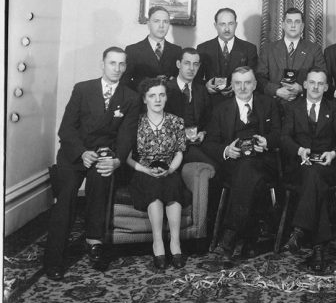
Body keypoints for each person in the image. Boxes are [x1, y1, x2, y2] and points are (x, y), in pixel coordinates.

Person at [44, 47, 139, 281]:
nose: (117, 69)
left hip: (105, 156)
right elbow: (66, 128)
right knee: (66, 196)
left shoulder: (131, 97)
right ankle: (54, 258)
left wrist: (116, 160)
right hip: (74, 154)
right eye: (112, 63)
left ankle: (94, 244)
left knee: (100, 186)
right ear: (102, 64)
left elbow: (126, 136)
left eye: (121, 64)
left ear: (125, 67)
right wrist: (81, 153)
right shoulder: (83, 89)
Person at [202, 66, 281, 260]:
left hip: (264, 162)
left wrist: (268, 142)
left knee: (249, 170)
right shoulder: (221, 109)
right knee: (248, 174)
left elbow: (280, 134)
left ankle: (228, 237)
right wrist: (226, 150)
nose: (243, 87)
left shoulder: (269, 104)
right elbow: (209, 142)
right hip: (233, 165)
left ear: (255, 84)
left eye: (247, 83)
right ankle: (250, 239)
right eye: (238, 83)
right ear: (232, 85)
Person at [281, 68, 336, 273]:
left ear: (326, 87)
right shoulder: (292, 107)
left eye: (320, 84)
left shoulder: (334, 108)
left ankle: (300, 230)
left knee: (316, 177)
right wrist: (299, 150)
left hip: (326, 165)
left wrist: (333, 153)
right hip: (300, 166)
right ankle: (318, 249)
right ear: (304, 84)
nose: (315, 87)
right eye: (312, 82)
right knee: (314, 180)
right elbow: (284, 138)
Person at [126, 77, 189, 270]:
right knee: (153, 185)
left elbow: (179, 152)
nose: (157, 99)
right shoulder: (134, 122)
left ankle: (175, 243)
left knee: (171, 183)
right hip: (143, 171)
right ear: (144, 99)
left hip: (168, 170)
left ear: (166, 98)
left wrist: (170, 169)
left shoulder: (176, 121)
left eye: (161, 95)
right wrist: (146, 170)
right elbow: (127, 157)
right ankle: (158, 243)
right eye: (152, 96)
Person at [256, 7, 326, 103]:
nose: (293, 25)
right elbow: (259, 78)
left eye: (297, 22)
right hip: (274, 105)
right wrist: (277, 91)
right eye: (289, 21)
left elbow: (323, 78)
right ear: (283, 25)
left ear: (302, 26)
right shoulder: (268, 49)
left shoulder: (314, 49)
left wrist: (302, 88)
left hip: (303, 107)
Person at [196, 7, 258, 109]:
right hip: (210, 105)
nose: (227, 29)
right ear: (215, 26)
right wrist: (206, 86)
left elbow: (254, 79)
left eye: (230, 23)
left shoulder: (249, 49)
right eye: (222, 24)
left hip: (238, 104)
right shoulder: (203, 48)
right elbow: (196, 80)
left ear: (236, 25)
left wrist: (237, 87)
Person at [164, 47, 215, 166]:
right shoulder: (165, 90)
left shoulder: (202, 90)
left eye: (195, 64)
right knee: (212, 166)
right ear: (178, 64)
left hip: (199, 143)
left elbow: (209, 119)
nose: (191, 68)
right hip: (175, 147)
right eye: (187, 63)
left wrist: (204, 132)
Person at [123, 6, 182, 91]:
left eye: (165, 22)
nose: (161, 26)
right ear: (148, 24)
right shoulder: (133, 50)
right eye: (156, 21)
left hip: (169, 102)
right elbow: (125, 83)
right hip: (141, 101)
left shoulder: (177, 50)